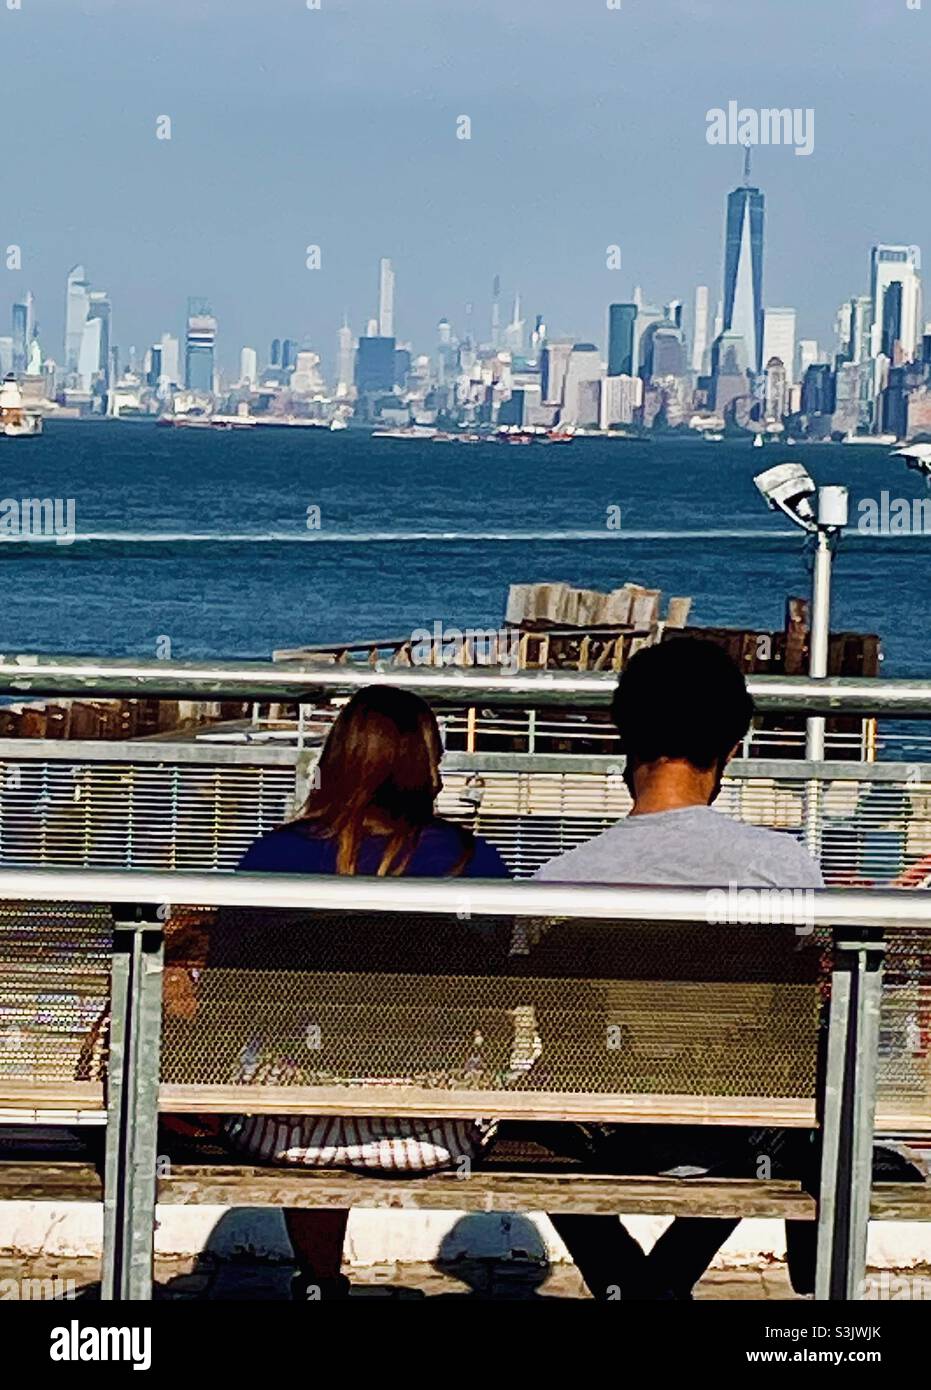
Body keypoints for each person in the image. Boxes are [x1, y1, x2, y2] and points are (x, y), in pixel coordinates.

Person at [533, 637, 823, 1300]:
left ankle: (629, 1280)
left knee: (526, 1116)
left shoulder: (558, 881)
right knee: (769, 1099)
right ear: (733, 743)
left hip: (600, 1132)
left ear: (621, 734)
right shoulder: (782, 869)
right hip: (739, 1131)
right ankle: (661, 1284)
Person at [229, 685, 511, 1299]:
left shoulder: (274, 856)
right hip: (436, 1132)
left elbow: (229, 999)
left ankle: (321, 1282)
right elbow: (497, 1006)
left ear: (337, 758)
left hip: (291, 1131)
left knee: (297, 1075)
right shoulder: (476, 863)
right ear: (430, 767)